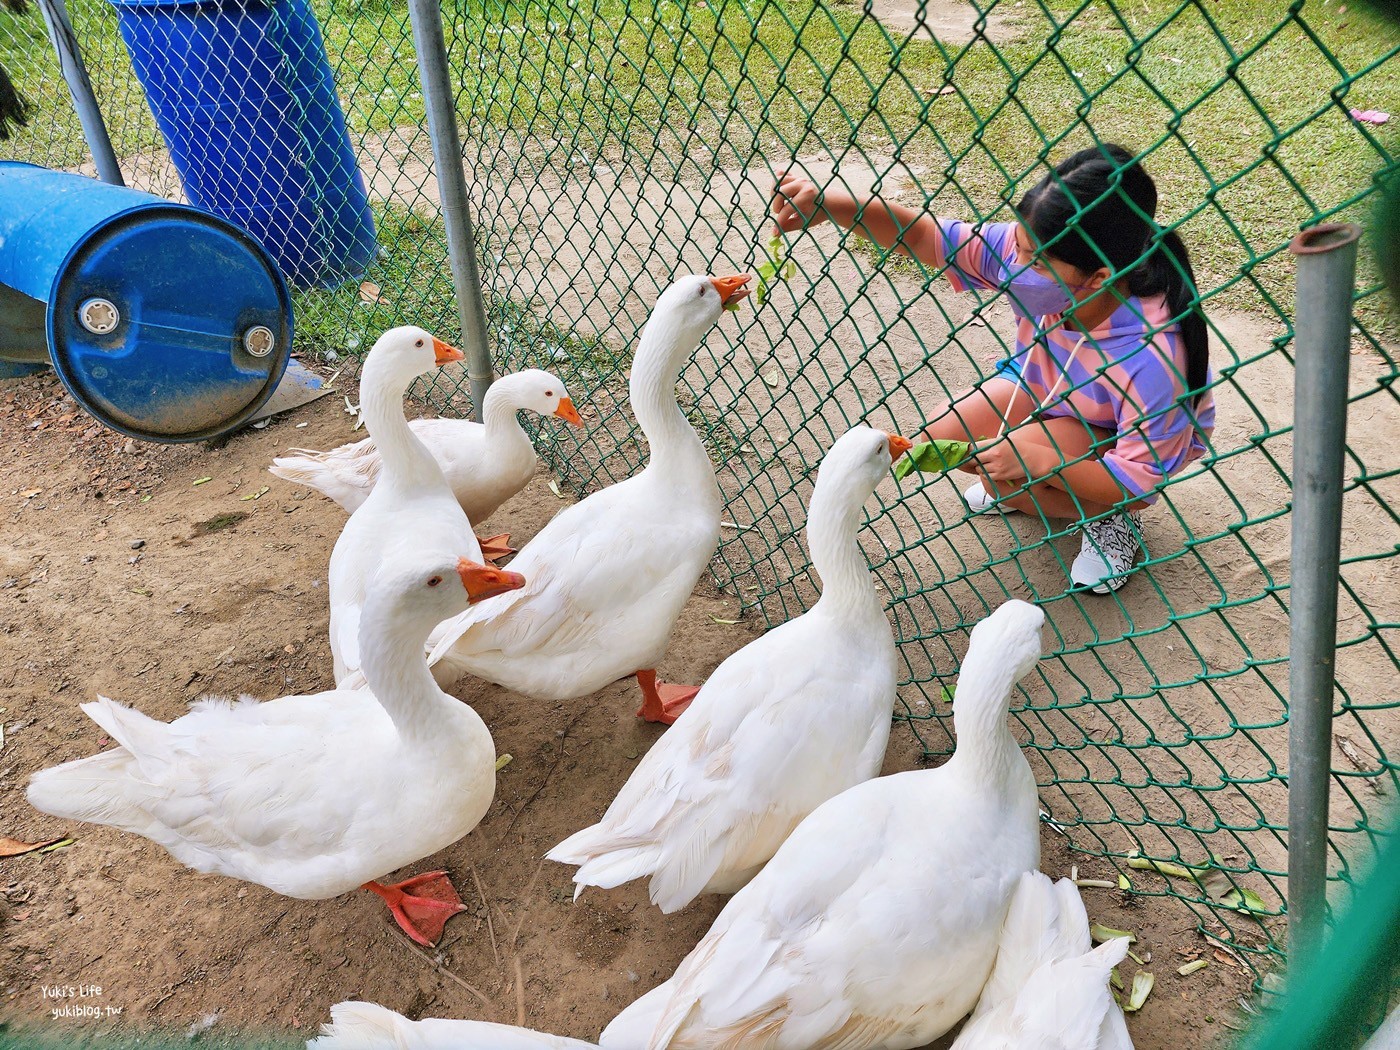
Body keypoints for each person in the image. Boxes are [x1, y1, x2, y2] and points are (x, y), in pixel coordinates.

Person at [770, 143, 1216, 594]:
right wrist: (828, 205)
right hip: (1046, 386)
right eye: (1018, 247)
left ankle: (1106, 519)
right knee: (943, 440)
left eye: (1035, 262)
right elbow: (926, 237)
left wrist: (1038, 460)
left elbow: (1137, 482)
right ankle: (1044, 476)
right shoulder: (1039, 243)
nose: (1013, 267)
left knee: (1009, 478)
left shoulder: (1155, 355)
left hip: (1116, 436)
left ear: (1098, 277)